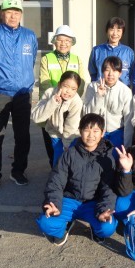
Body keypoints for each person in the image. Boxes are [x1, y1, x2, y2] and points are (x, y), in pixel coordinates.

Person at [0, 0, 38, 192]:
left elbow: (32, 59)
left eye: (16, 12)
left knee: (23, 135)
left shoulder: (29, 36)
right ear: (2, 14)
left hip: (22, 93)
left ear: (21, 14)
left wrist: (24, 80)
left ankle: (18, 171)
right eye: (9, 12)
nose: (13, 16)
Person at [36, 114, 118, 246]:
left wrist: (104, 209)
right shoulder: (69, 154)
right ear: (80, 131)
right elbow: (56, 181)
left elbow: (108, 189)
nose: (91, 135)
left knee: (107, 227)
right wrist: (54, 203)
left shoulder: (107, 159)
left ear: (103, 133)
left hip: (93, 204)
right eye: (86, 130)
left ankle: (96, 229)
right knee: (46, 223)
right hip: (69, 200)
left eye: (95, 131)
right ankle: (64, 227)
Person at [38, 24, 85, 167]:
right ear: (54, 41)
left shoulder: (77, 59)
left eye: (67, 41)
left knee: (70, 139)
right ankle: (54, 169)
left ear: (72, 43)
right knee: (52, 143)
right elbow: (44, 83)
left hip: (70, 107)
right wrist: (56, 99)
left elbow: (81, 83)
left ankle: (67, 169)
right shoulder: (47, 59)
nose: (63, 43)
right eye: (60, 40)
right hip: (52, 103)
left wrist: (70, 100)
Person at [31, 71, 83, 169]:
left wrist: (66, 146)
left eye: (73, 89)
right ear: (59, 84)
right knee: (57, 161)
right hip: (54, 133)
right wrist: (53, 102)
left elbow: (71, 126)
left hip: (71, 136)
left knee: (69, 160)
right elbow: (36, 117)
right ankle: (57, 176)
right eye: (66, 86)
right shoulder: (49, 93)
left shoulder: (77, 102)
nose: (68, 91)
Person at [83, 56, 133, 149]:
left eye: (114, 70)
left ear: (120, 73)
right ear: (102, 71)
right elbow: (87, 114)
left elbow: (128, 121)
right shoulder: (92, 86)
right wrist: (98, 96)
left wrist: (127, 146)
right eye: (107, 70)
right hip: (96, 132)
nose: (110, 74)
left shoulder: (125, 91)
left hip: (117, 133)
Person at [88, 17, 135, 87]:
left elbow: (132, 73)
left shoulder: (128, 52)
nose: (115, 33)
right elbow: (93, 72)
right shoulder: (96, 51)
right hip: (101, 88)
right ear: (107, 31)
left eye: (118, 30)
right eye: (112, 29)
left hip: (122, 90)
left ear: (122, 32)